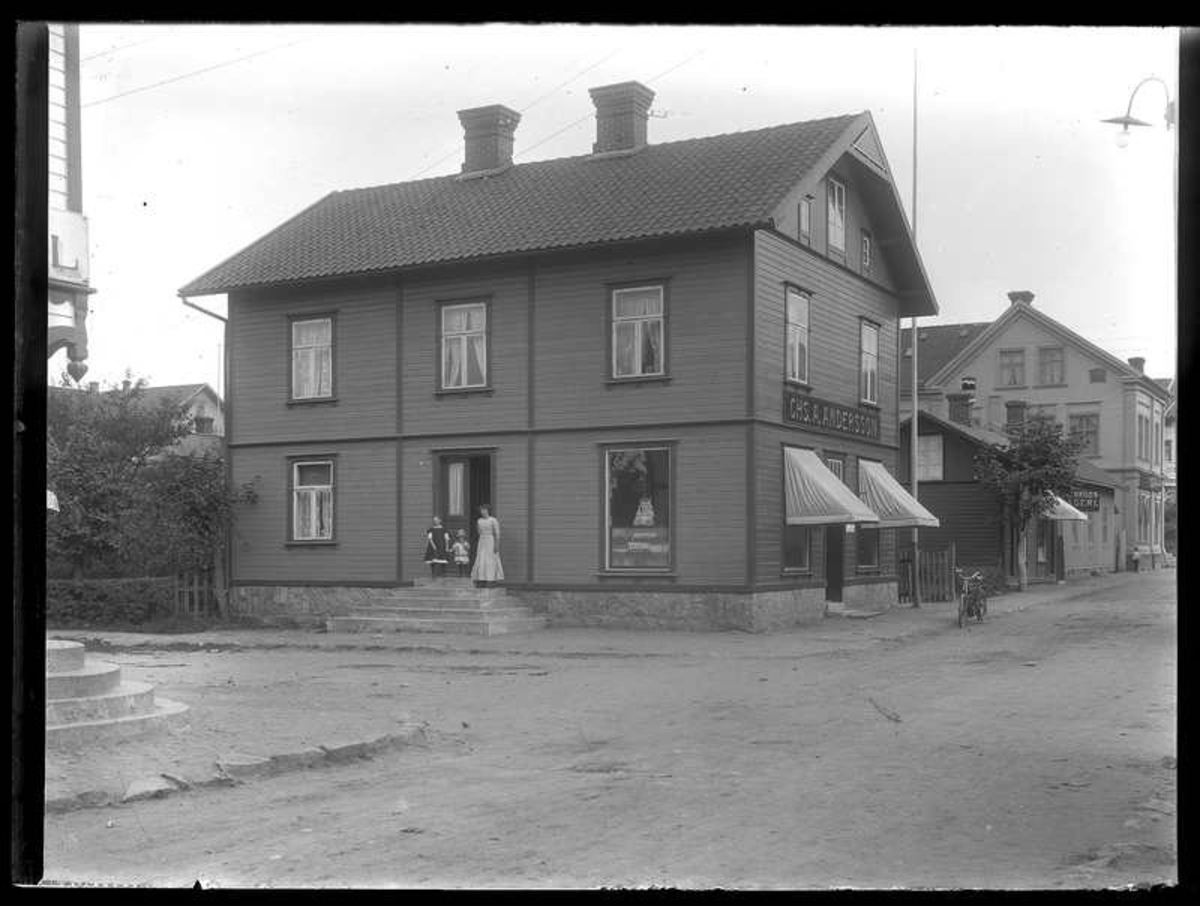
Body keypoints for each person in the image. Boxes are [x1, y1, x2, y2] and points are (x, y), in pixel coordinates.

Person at [471, 504, 504, 587]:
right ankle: (481, 578)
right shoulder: (479, 521)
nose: (483, 512)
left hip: (490, 540)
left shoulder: (493, 520)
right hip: (482, 540)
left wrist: (496, 545)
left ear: (488, 510)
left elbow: (497, 533)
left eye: (484, 510)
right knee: (481, 558)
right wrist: (482, 537)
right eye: (481, 510)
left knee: (490, 559)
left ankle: (491, 579)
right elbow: (479, 531)